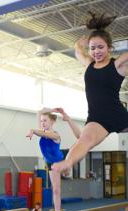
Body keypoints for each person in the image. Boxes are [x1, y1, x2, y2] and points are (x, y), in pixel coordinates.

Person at [52, 12, 128, 174]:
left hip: (118, 115)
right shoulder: (89, 65)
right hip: (97, 119)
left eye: (101, 47)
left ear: (109, 47)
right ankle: (67, 163)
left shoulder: (118, 65)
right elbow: (78, 50)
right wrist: (84, 41)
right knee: (84, 140)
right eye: (93, 48)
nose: (96, 51)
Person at [27, 108, 63, 211]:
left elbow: (42, 133)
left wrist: (33, 130)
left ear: (52, 121)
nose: (42, 123)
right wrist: (52, 109)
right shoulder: (42, 130)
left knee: (57, 190)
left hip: (59, 162)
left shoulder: (56, 135)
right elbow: (39, 112)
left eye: (45, 121)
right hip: (49, 163)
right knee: (55, 190)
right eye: (41, 121)